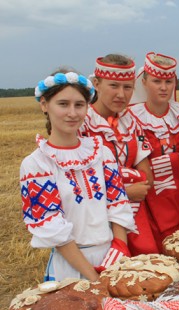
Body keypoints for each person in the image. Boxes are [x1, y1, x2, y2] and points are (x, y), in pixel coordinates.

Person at [20, 69, 135, 281]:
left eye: (79, 105)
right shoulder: (36, 164)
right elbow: (53, 229)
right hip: (71, 266)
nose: (72, 113)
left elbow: (118, 205)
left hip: (111, 260)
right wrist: (93, 277)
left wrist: (119, 252)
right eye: (63, 104)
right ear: (45, 105)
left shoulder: (101, 153)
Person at [81, 54, 156, 257]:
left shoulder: (130, 121)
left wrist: (120, 181)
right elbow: (80, 184)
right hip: (97, 219)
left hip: (134, 215)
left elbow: (147, 176)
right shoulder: (82, 124)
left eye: (127, 87)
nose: (121, 94)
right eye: (114, 86)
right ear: (96, 83)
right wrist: (126, 191)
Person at [129, 52, 179, 250]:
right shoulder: (131, 118)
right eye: (157, 81)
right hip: (147, 201)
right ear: (144, 82)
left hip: (178, 197)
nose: (163, 87)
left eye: (168, 81)